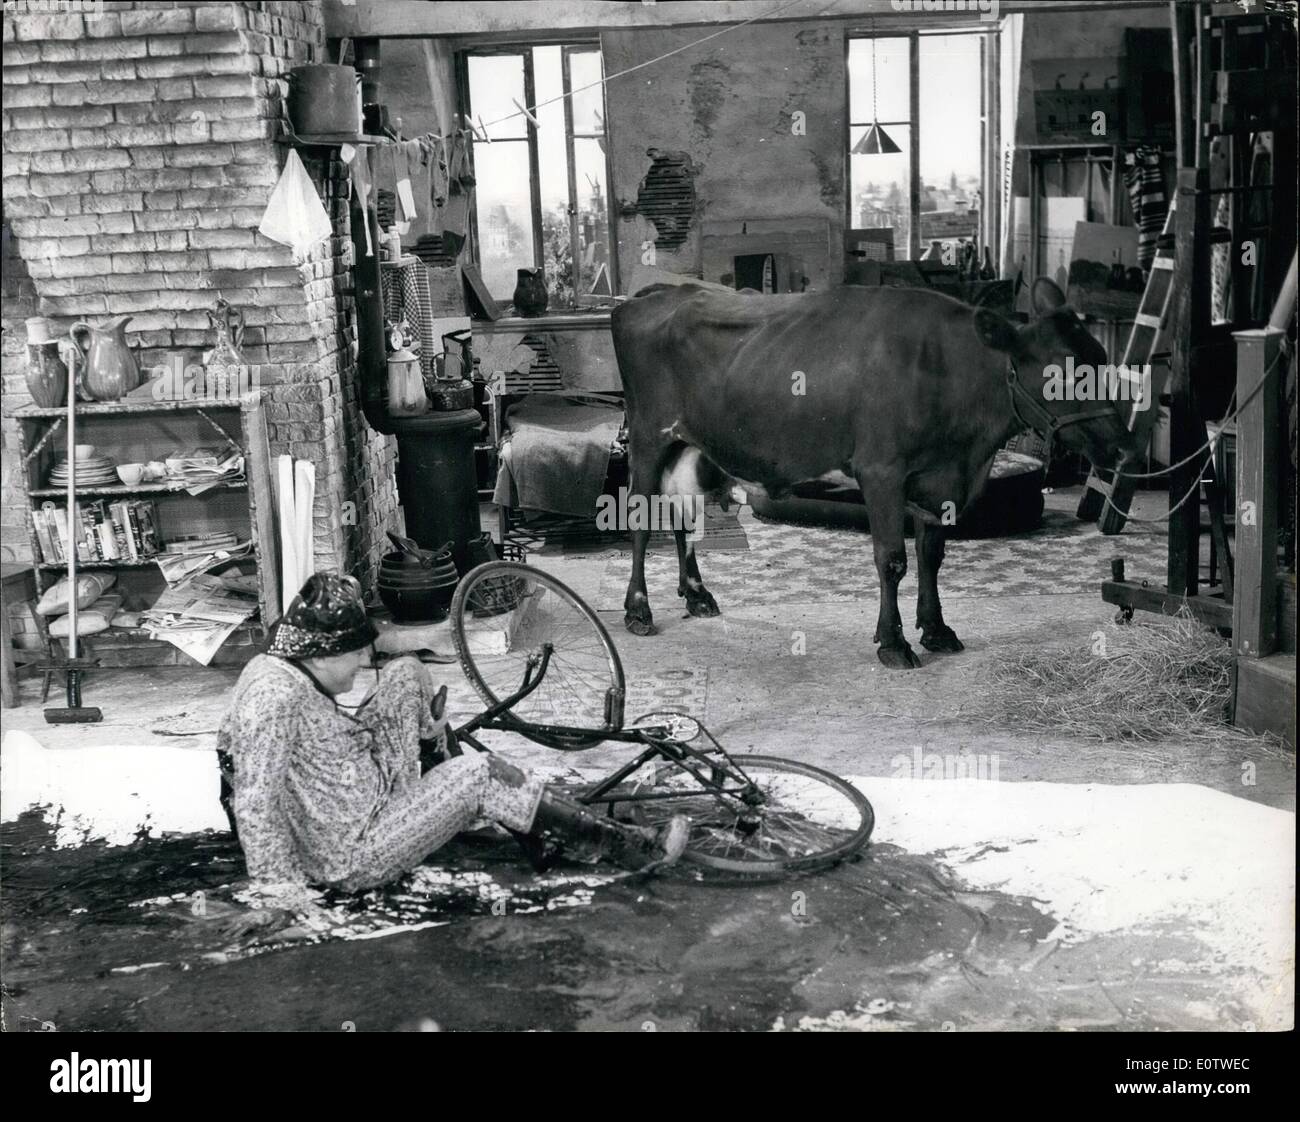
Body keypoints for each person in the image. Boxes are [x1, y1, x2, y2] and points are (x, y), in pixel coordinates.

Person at [217, 572, 687, 900]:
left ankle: (458, 805)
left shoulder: (289, 666)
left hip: (359, 787)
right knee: (480, 774)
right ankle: (631, 849)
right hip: (351, 849)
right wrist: (280, 892)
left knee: (405, 672)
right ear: (319, 655)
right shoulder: (271, 699)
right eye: (355, 653)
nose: (363, 663)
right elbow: (253, 801)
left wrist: (429, 732)